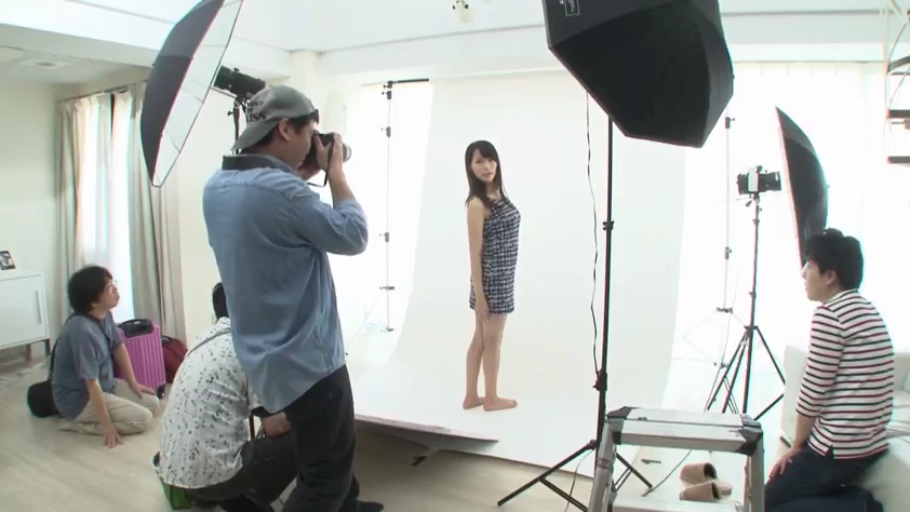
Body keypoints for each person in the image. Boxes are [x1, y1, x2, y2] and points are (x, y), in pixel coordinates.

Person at [202, 85, 378, 512]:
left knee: (323, 446)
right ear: (284, 128)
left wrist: (297, 176)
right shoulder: (283, 192)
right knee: (324, 478)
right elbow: (353, 235)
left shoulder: (217, 186)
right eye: (309, 133)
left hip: (267, 361)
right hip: (310, 360)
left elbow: (271, 214)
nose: (310, 144)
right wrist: (335, 172)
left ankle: (349, 507)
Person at [765, 229, 894, 510]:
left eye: (809, 265)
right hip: (870, 442)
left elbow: (813, 391)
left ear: (830, 276)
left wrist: (797, 446)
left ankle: (859, 507)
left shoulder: (830, 314)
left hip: (840, 448)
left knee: (762, 501)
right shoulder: (867, 309)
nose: (803, 274)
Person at [157, 283, 297, 512]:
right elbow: (275, 426)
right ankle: (247, 494)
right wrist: (308, 410)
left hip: (173, 469)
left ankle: (220, 494)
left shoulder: (203, 340)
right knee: (307, 435)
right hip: (212, 475)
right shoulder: (249, 349)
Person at [52, 265, 159, 447]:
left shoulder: (105, 314)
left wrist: (133, 383)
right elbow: (91, 382)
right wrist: (106, 424)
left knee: (153, 404)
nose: (115, 290)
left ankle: (106, 412)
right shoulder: (81, 330)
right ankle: (77, 424)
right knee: (143, 419)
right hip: (79, 399)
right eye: (109, 288)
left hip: (105, 385)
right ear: (94, 302)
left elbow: (118, 347)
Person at [463, 140, 521, 412]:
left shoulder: (498, 194)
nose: (487, 166)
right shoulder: (477, 204)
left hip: (502, 278)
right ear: (470, 168)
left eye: (490, 160)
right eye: (479, 162)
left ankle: (471, 397)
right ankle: (491, 398)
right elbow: (474, 253)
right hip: (491, 283)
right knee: (492, 340)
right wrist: (481, 296)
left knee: (481, 337)